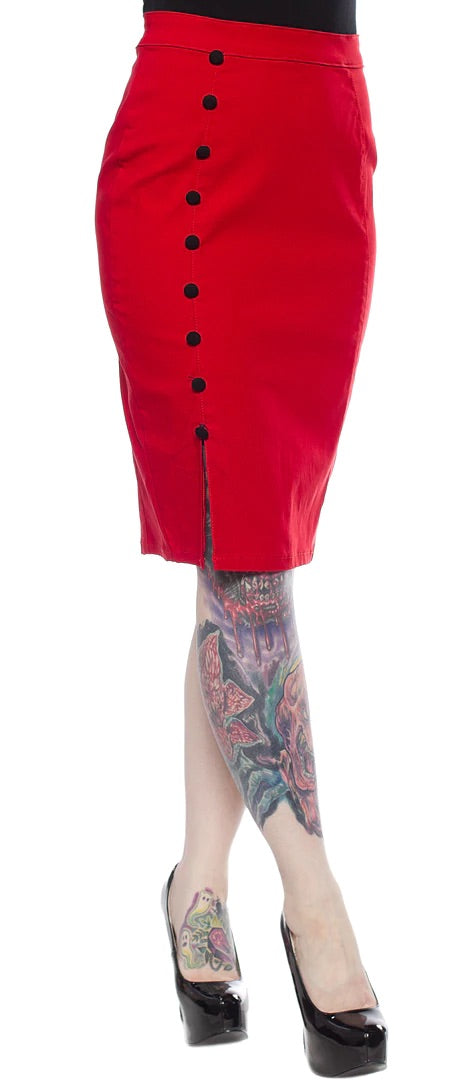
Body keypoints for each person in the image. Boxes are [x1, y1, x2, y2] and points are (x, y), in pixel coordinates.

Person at [94, 1, 387, 1072]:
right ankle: (314, 901)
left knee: (242, 551)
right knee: (246, 570)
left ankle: (199, 889)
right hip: (190, 144)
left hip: (319, 152)